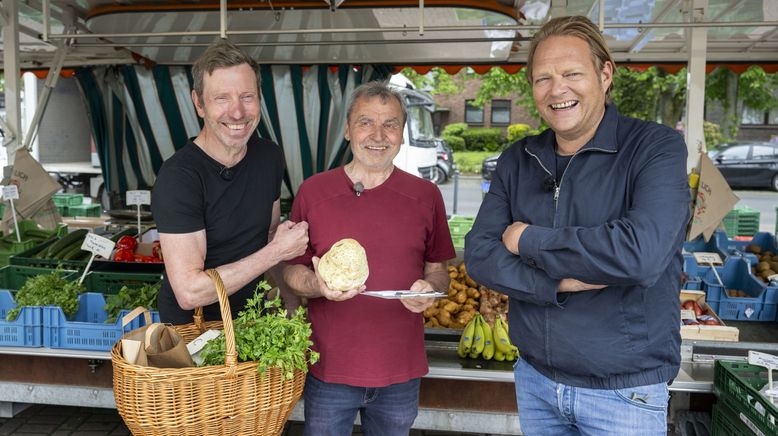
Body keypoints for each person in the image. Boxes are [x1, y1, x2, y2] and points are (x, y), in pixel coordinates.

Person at [464, 16, 689, 435]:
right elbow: (480, 255)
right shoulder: (519, 159)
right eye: (542, 78)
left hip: (624, 392)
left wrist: (527, 238)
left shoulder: (655, 148)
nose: (557, 89)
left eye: (571, 74)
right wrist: (559, 283)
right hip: (536, 380)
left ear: (605, 74)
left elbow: (639, 254)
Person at [282, 81, 455, 436]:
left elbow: (439, 271)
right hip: (329, 370)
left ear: (402, 133)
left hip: (400, 373)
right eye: (366, 122)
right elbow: (290, 270)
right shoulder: (313, 192)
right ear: (347, 129)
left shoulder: (426, 195)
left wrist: (429, 287)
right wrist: (316, 284)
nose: (378, 135)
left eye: (390, 123)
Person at [151, 40, 308, 324]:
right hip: (193, 336)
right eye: (222, 98)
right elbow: (189, 292)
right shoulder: (179, 177)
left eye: (247, 96)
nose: (237, 113)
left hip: (251, 323)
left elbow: (271, 234)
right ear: (198, 103)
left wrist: (290, 298)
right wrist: (275, 252)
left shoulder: (268, 157)